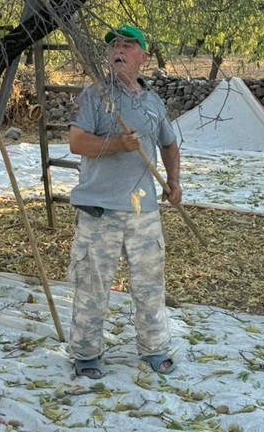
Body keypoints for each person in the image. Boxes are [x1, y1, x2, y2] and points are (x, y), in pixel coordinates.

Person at [66, 24, 182, 379]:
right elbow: (77, 143)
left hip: (143, 210)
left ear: (143, 57)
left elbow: (169, 144)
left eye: (128, 45)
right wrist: (117, 144)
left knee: (150, 285)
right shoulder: (94, 96)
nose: (118, 49)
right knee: (92, 286)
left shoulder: (152, 101)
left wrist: (174, 182)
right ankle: (86, 355)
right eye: (114, 44)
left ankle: (154, 348)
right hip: (100, 210)